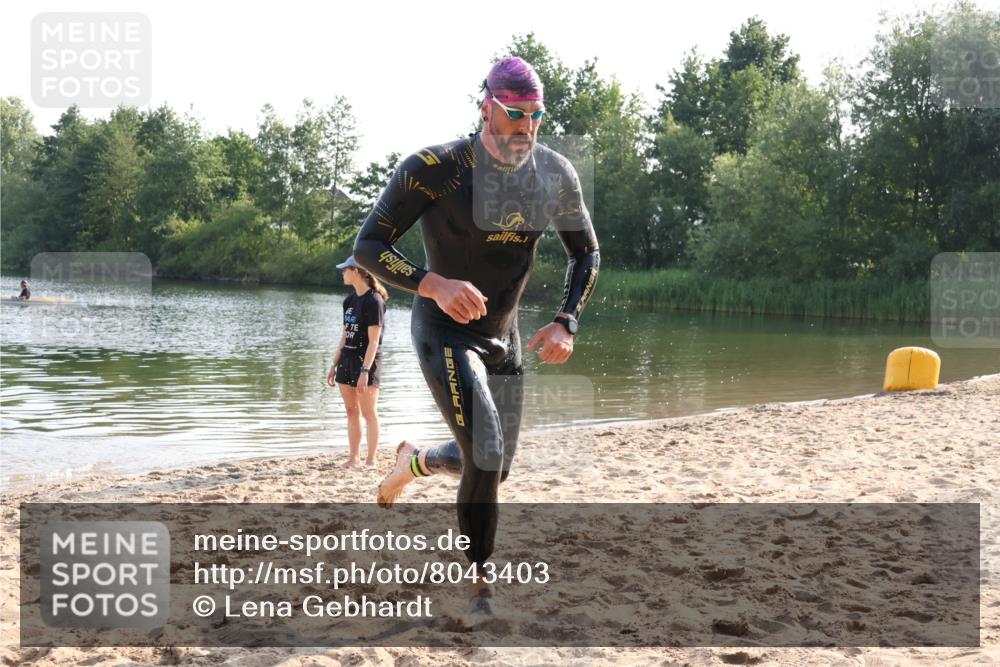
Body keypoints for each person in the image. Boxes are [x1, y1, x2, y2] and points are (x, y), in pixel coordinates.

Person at [353, 56, 599, 618]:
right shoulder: (433, 167)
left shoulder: (554, 173)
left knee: (494, 466)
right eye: (515, 114)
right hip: (444, 331)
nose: (526, 127)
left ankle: (414, 462)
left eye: (536, 116)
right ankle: (481, 588)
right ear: (486, 106)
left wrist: (566, 320)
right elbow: (369, 247)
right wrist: (432, 283)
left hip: (503, 340)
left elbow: (586, 251)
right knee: (485, 455)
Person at [326, 256, 388, 468]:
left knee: (369, 413)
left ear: (357, 271)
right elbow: (344, 336)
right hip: (347, 360)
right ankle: (353, 458)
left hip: (366, 363)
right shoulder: (349, 302)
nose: (342, 273)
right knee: (351, 411)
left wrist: (365, 371)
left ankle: (371, 460)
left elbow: (373, 341)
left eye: (345, 270)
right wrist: (334, 365)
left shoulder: (374, 301)